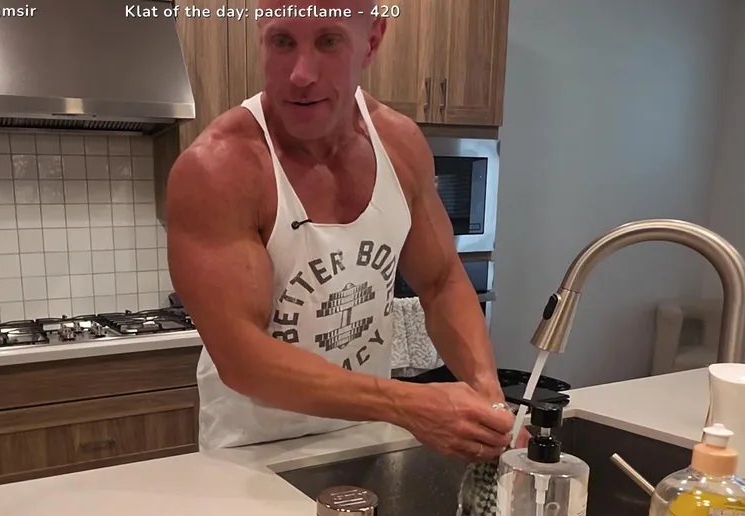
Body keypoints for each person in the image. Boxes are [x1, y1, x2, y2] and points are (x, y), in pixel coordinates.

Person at [167, 0, 514, 459]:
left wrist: (488, 395)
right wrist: (406, 403)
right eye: (282, 42)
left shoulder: (400, 144)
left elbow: (442, 281)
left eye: (328, 41)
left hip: (366, 439)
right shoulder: (217, 168)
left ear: (371, 41)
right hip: (253, 452)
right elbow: (241, 357)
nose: (300, 74)